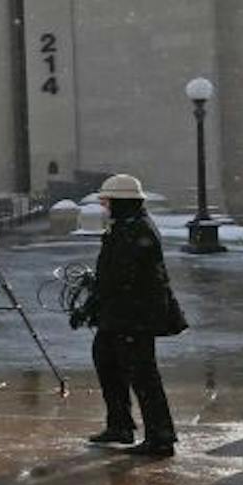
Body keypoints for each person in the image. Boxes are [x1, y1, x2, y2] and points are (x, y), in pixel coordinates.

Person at [74, 173, 184, 457]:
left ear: (123, 202)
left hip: (135, 317)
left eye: (108, 201)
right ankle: (120, 425)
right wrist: (94, 302)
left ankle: (161, 438)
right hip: (120, 314)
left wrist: (92, 304)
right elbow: (112, 275)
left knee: (143, 376)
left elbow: (123, 279)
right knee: (107, 362)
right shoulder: (124, 226)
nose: (105, 206)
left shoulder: (138, 231)